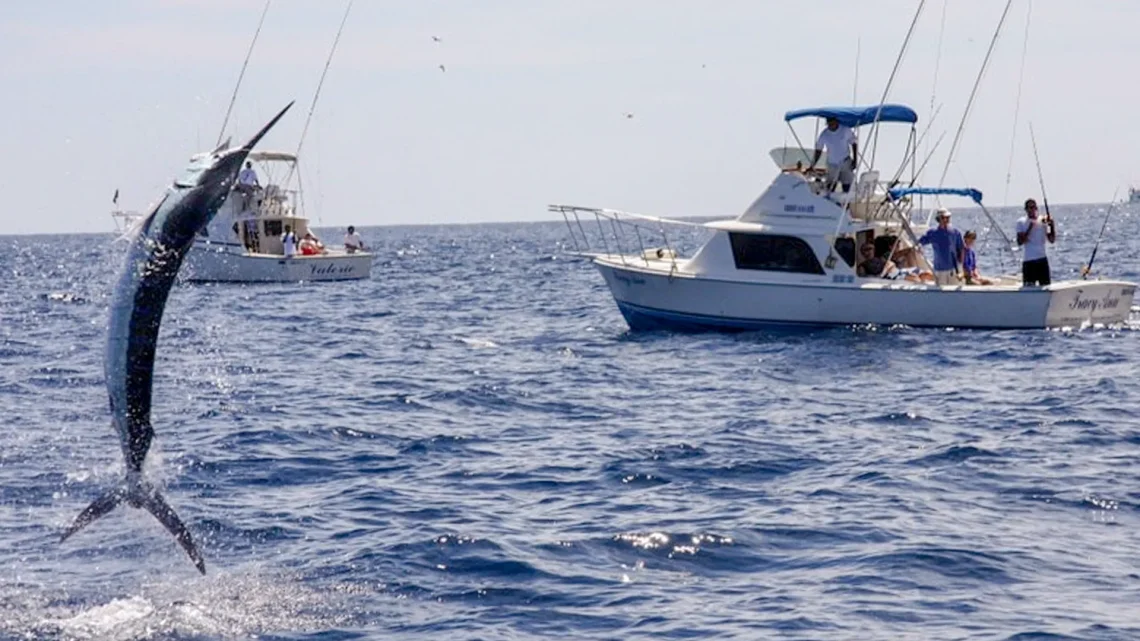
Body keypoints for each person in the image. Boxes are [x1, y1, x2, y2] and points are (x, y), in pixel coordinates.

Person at [805, 116, 858, 194]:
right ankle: (830, 203)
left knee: (847, 185)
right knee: (831, 186)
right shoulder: (824, 134)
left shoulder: (845, 130)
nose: (831, 125)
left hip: (845, 161)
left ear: (836, 122)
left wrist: (855, 160)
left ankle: (846, 205)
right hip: (832, 163)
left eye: (832, 122)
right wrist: (812, 165)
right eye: (829, 123)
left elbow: (854, 143)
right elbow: (818, 150)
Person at [918, 207, 965, 286]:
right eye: (943, 218)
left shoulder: (955, 232)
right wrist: (919, 247)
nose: (946, 220)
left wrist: (961, 267)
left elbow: (961, 249)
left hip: (953, 269)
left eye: (948, 217)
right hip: (939, 270)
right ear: (938, 219)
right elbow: (920, 242)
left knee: (954, 292)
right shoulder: (933, 233)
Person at [1016, 198, 1055, 286]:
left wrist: (1052, 225)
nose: (1031, 210)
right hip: (1029, 261)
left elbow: (1052, 240)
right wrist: (1030, 228)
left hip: (1042, 260)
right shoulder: (1021, 222)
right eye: (1029, 208)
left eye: (1033, 207)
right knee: (1028, 288)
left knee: (1046, 286)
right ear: (1026, 209)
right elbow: (1020, 242)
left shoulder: (1042, 221)